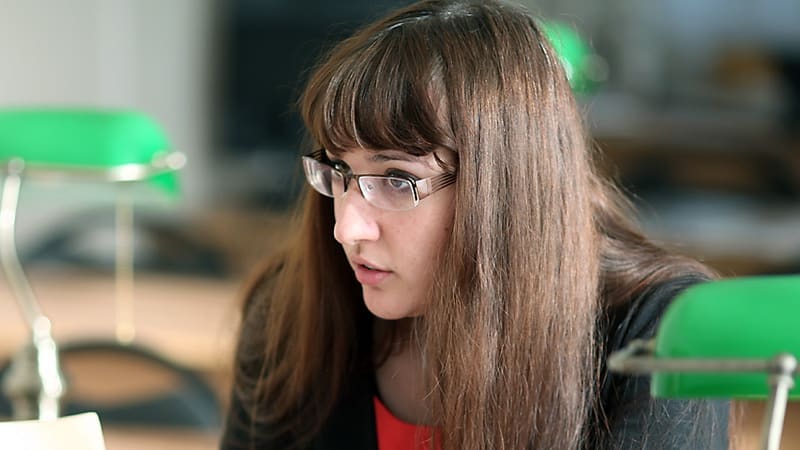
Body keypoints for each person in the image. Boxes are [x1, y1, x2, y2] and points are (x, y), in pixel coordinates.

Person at [220, 0, 729, 448]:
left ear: (504, 186)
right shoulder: (291, 313)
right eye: (338, 169)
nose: (347, 229)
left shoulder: (660, 332)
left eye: (397, 179)